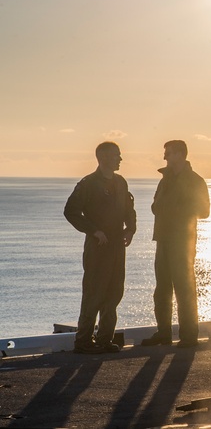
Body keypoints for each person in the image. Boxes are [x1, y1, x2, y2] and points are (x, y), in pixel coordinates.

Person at [64, 142, 137, 354]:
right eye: (116, 155)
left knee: (114, 293)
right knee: (94, 293)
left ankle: (105, 339)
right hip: (98, 246)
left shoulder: (121, 183)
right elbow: (71, 211)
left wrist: (130, 229)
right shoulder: (88, 184)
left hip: (116, 245)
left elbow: (129, 210)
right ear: (104, 157)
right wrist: (93, 230)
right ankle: (84, 341)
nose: (120, 159)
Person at [142, 140, 210, 348]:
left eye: (168, 153)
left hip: (183, 241)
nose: (165, 157)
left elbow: (204, 211)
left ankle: (189, 335)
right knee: (162, 289)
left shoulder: (195, 181)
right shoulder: (165, 180)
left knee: (184, 288)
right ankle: (163, 333)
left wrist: (178, 207)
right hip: (163, 239)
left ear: (180, 154)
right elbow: (155, 207)